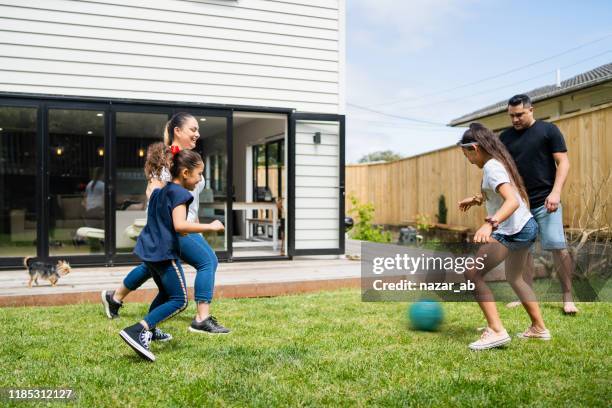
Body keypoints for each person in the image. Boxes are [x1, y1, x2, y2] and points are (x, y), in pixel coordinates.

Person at [103, 112, 230, 338]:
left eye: (197, 130)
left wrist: (197, 222)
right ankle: (201, 318)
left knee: (153, 267)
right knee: (207, 261)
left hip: (184, 223)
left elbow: (192, 200)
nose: (197, 134)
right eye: (193, 129)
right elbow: (155, 195)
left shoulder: (187, 159)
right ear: (177, 131)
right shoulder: (166, 162)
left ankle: (115, 297)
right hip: (173, 227)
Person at [120, 148, 222, 361]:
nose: (200, 180)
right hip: (164, 253)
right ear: (185, 173)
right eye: (199, 174)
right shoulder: (181, 195)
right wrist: (210, 226)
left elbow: (166, 221)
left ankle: (149, 330)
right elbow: (180, 226)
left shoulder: (160, 191)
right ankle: (139, 330)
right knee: (179, 299)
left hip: (149, 251)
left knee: (166, 293)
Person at [458, 123, 550, 351]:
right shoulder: (497, 163)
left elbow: (512, 201)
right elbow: (498, 193)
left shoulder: (492, 167)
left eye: (466, 154)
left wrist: (490, 224)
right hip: (525, 226)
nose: (467, 159)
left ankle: (496, 331)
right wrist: (476, 199)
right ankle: (539, 328)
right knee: (515, 278)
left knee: (473, 272)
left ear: (474, 148)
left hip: (512, 230)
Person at [500, 94, 577, 315]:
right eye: (511, 116)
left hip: (547, 201)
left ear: (531, 109)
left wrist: (556, 192)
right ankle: (526, 295)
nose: (515, 120)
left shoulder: (548, 130)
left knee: (557, 247)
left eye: (519, 115)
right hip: (520, 204)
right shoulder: (505, 137)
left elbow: (563, 162)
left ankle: (568, 297)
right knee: (523, 250)